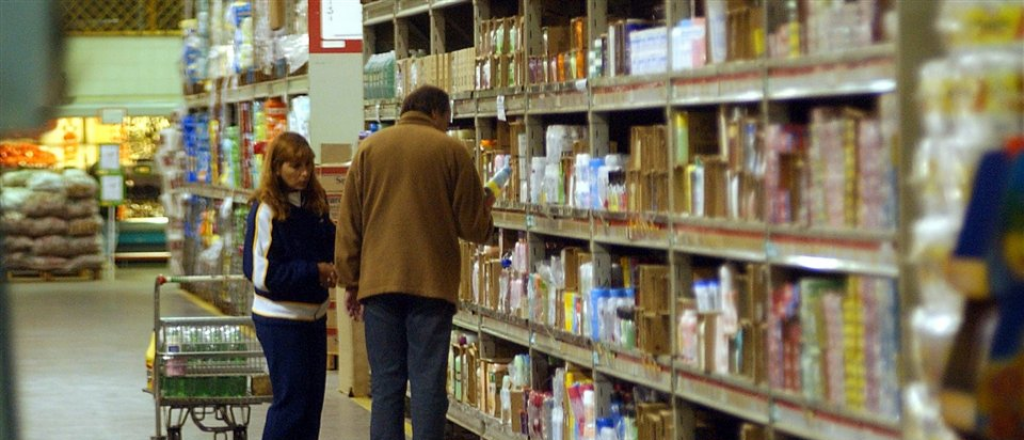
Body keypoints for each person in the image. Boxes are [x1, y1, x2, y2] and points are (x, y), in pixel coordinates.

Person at [335, 85, 494, 440]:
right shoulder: (452, 152)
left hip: (378, 287)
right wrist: (486, 206)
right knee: (427, 385)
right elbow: (473, 227)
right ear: (437, 113)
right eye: (448, 121)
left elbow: (349, 223)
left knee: (387, 386)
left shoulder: (369, 151)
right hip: (431, 287)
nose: (447, 128)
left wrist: (350, 280)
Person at [243, 132, 337, 440]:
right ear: (277, 167)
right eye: (295, 166)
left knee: (311, 407)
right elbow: (261, 273)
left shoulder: (315, 206)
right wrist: (314, 271)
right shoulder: (266, 209)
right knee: (291, 405)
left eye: (308, 165)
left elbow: (330, 246)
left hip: (313, 319)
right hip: (280, 321)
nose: (304, 173)